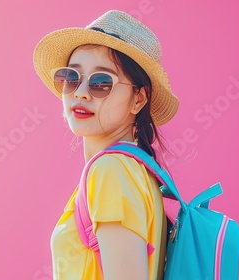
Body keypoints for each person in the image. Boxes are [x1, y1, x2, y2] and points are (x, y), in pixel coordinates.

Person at [32, 10, 179, 280]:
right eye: (71, 77)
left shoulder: (111, 171)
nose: (81, 92)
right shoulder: (135, 172)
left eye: (101, 82)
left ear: (138, 100)